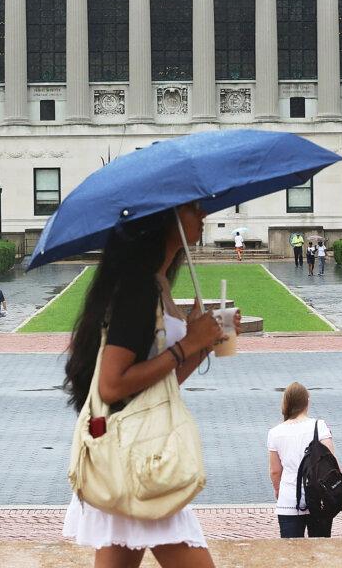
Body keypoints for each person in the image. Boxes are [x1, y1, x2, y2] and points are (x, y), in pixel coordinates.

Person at [62, 203, 237, 568]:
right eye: (192, 208)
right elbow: (112, 386)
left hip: (134, 458)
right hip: (142, 462)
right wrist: (186, 344)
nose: (202, 215)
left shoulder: (155, 284)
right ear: (165, 218)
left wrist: (202, 344)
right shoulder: (138, 290)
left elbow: (160, 386)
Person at [267, 382, 339, 538]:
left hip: (289, 500)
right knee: (320, 551)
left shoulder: (275, 433)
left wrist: (279, 491)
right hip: (319, 499)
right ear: (307, 401)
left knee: (291, 554)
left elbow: (275, 471)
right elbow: (332, 463)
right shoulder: (319, 426)